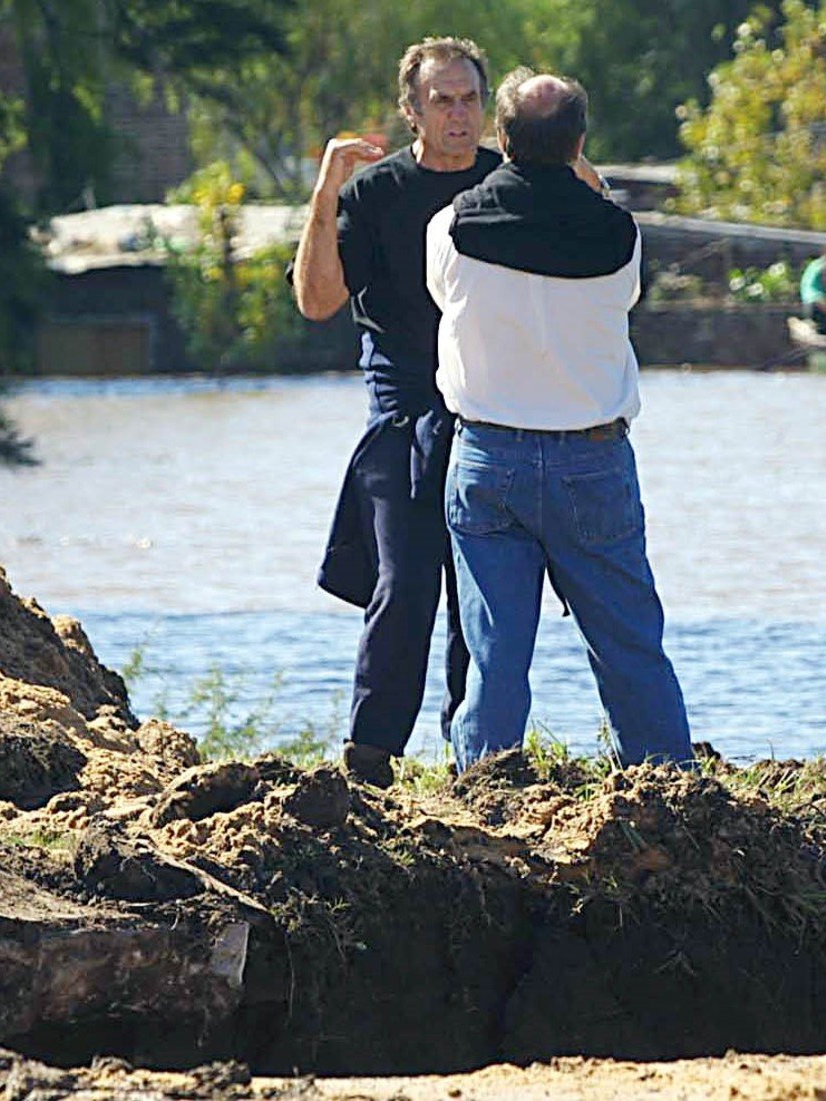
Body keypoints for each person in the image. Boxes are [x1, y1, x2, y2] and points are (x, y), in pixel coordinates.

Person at [425, 67, 695, 772]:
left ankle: (483, 791)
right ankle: (668, 789)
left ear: (500, 138)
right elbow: (621, 284)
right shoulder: (618, 237)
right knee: (628, 644)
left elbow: (441, 297)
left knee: (495, 653)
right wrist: (582, 173)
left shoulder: (450, 228)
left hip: (487, 457)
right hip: (591, 459)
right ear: (579, 143)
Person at [291, 38, 501, 789]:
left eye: (469, 98)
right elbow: (317, 302)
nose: (457, 113)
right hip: (402, 411)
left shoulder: (505, 185)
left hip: (489, 408)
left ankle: (477, 758)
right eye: (441, 99)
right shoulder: (372, 193)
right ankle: (368, 758)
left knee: (483, 588)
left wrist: (574, 172)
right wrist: (325, 191)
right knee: (406, 580)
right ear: (410, 111)